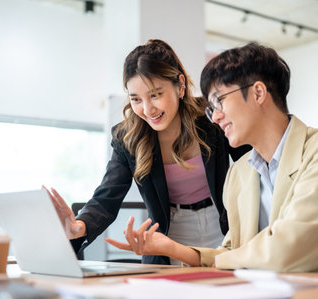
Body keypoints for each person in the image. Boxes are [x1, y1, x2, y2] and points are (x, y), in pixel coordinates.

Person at [105, 42, 318, 275]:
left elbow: (288, 251)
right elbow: (233, 251)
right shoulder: (241, 172)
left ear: (258, 93)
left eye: (219, 101)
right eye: (212, 108)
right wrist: (173, 248)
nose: (216, 116)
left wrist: (222, 258)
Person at [46, 39, 251, 265]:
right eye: (136, 99)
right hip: (168, 236)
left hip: (222, 225)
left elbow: (253, 164)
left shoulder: (212, 118)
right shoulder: (128, 138)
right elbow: (107, 197)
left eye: (155, 95)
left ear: (180, 84)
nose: (147, 109)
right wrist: (80, 225)